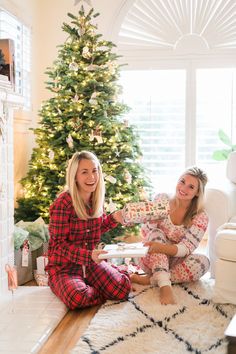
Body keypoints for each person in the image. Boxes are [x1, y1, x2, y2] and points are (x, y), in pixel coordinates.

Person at [45, 151, 131, 309]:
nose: (91, 177)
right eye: (84, 172)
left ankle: (98, 280)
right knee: (78, 297)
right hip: (65, 268)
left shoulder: (95, 199)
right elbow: (58, 245)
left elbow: (96, 229)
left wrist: (114, 218)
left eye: (94, 170)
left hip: (91, 264)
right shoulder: (63, 204)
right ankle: (73, 286)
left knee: (122, 290)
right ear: (75, 176)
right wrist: (89, 256)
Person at [120, 166, 210, 305]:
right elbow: (146, 234)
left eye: (191, 187)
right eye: (182, 181)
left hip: (174, 260)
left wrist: (162, 248)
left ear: (198, 193)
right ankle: (164, 286)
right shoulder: (162, 199)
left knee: (204, 262)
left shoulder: (200, 216)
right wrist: (151, 223)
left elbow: (186, 248)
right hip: (150, 257)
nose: (183, 188)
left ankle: (151, 280)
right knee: (156, 233)